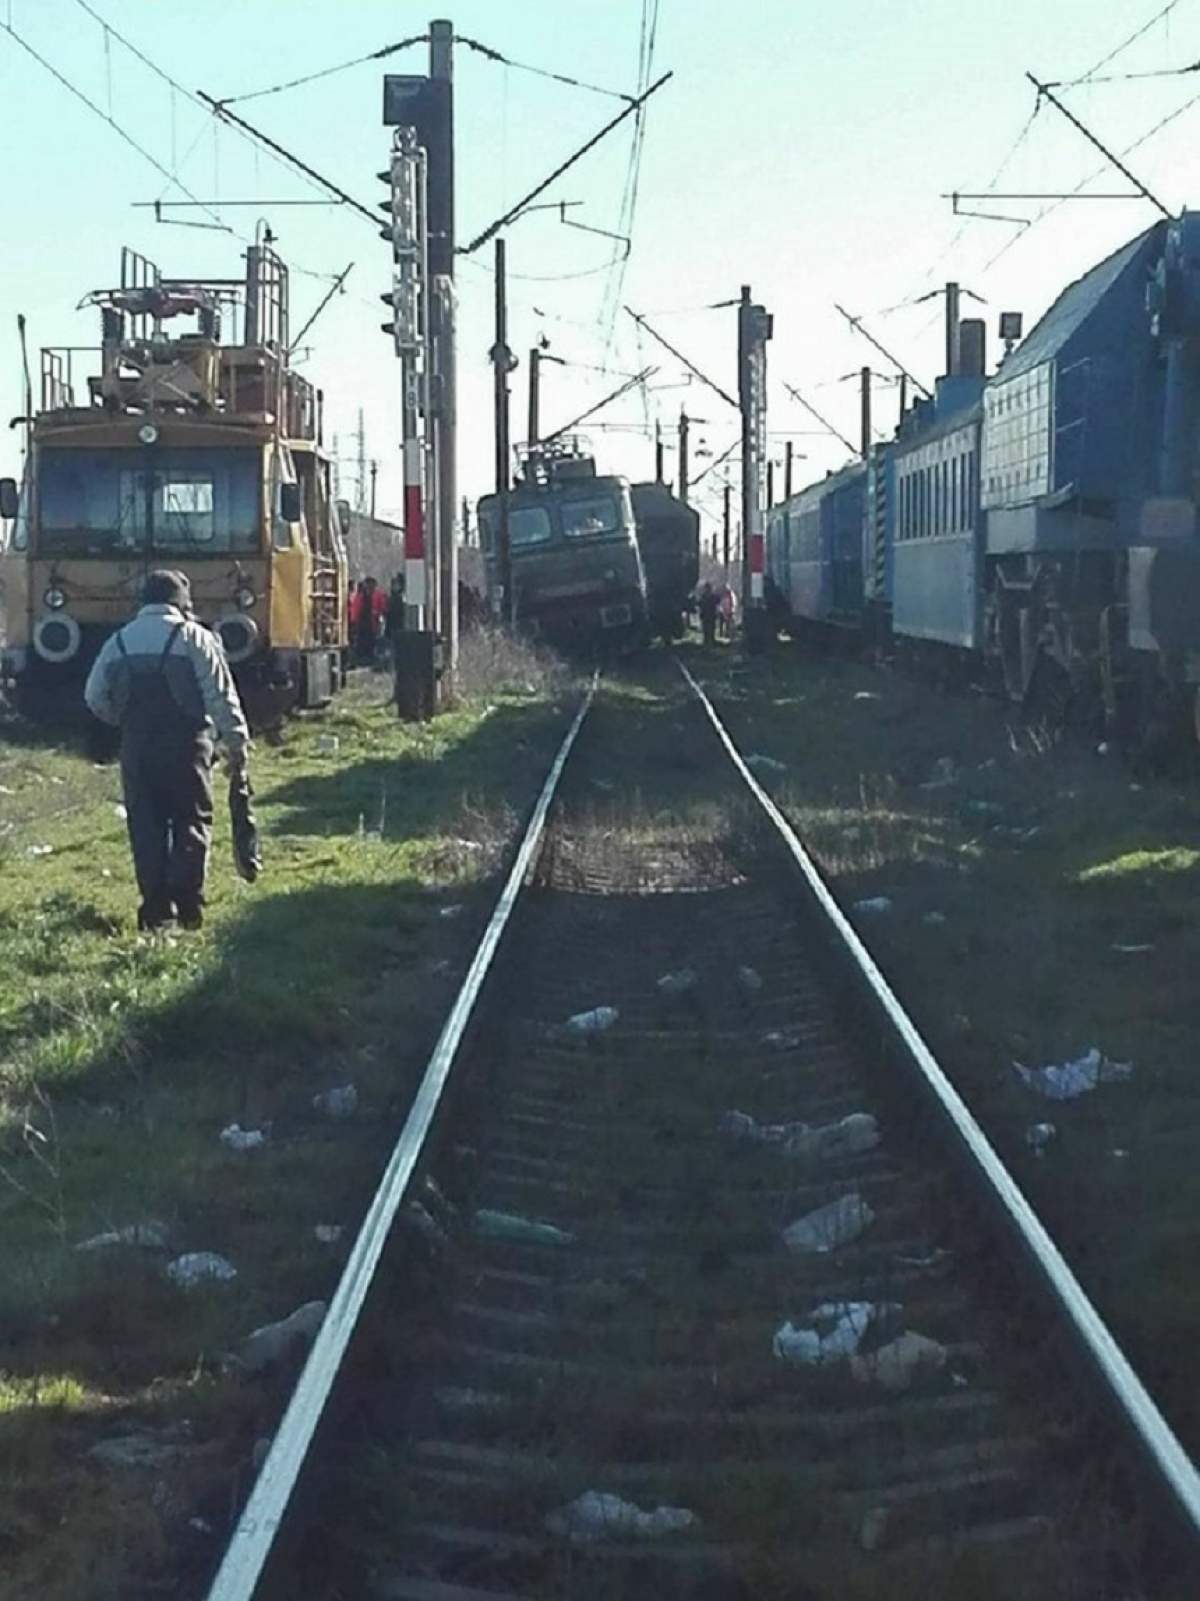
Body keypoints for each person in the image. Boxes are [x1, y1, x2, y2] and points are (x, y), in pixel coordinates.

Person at [84, 569, 250, 932]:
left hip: (138, 748)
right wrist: (235, 743)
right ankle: (187, 902)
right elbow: (219, 695)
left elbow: (94, 696)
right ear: (182, 601)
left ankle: (156, 909)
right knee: (192, 819)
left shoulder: (119, 641)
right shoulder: (194, 638)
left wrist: (124, 721)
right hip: (188, 746)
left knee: (146, 826)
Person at [697, 581, 719, 646]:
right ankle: (706, 641)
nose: (707, 589)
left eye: (708, 588)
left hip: (711, 615)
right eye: (706, 588)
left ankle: (711, 640)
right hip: (705, 615)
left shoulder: (713, 597)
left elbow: (717, 602)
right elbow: (700, 604)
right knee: (706, 629)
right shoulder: (703, 596)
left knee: (711, 628)